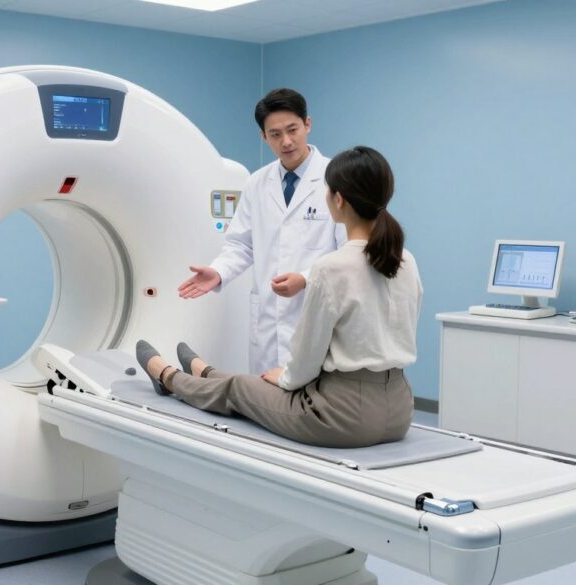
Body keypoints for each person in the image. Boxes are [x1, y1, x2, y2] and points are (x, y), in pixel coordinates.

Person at [141, 146, 422, 448]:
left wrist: (285, 377)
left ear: (338, 199)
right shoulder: (406, 260)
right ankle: (205, 372)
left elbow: (308, 357)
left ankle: (168, 378)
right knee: (252, 383)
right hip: (399, 410)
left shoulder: (330, 268)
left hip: (341, 416)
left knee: (241, 387)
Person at [178, 88, 345, 374]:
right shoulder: (256, 183)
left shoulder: (336, 179)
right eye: (275, 134)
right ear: (263, 136)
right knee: (263, 394)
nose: (286, 141)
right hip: (269, 320)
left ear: (307, 124)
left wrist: (305, 279)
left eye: (292, 130)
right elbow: (241, 244)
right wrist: (218, 271)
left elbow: (348, 254)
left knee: (311, 392)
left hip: (315, 310)